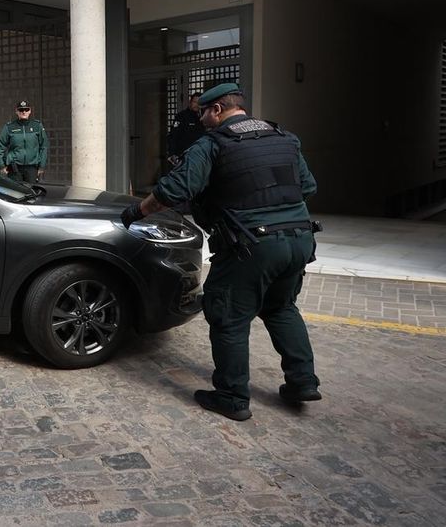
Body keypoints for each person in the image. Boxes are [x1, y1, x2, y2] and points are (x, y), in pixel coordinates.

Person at [120, 82, 320, 422]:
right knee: (281, 307)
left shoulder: (213, 144)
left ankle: (231, 396)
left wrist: (137, 212)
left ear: (217, 110)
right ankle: (303, 382)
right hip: (299, 240)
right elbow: (309, 187)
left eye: (203, 114)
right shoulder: (284, 138)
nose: (200, 120)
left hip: (250, 247)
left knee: (228, 316)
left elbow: (175, 189)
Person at [0, 100, 48, 183]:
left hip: (32, 168)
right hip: (14, 168)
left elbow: (44, 146)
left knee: (31, 192)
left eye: (26, 110)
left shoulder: (37, 126)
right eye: (21, 110)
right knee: (15, 194)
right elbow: (0, 146)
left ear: (30, 111)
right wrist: (1, 165)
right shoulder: (9, 127)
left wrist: (42, 165)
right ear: (16, 111)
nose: (24, 112)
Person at [167, 92, 206, 166]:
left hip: (199, 155)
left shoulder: (203, 117)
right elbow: (173, 135)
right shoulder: (181, 116)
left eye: (199, 103)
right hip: (183, 154)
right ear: (190, 102)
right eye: (194, 102)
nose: (196, 105)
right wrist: (171, 153)